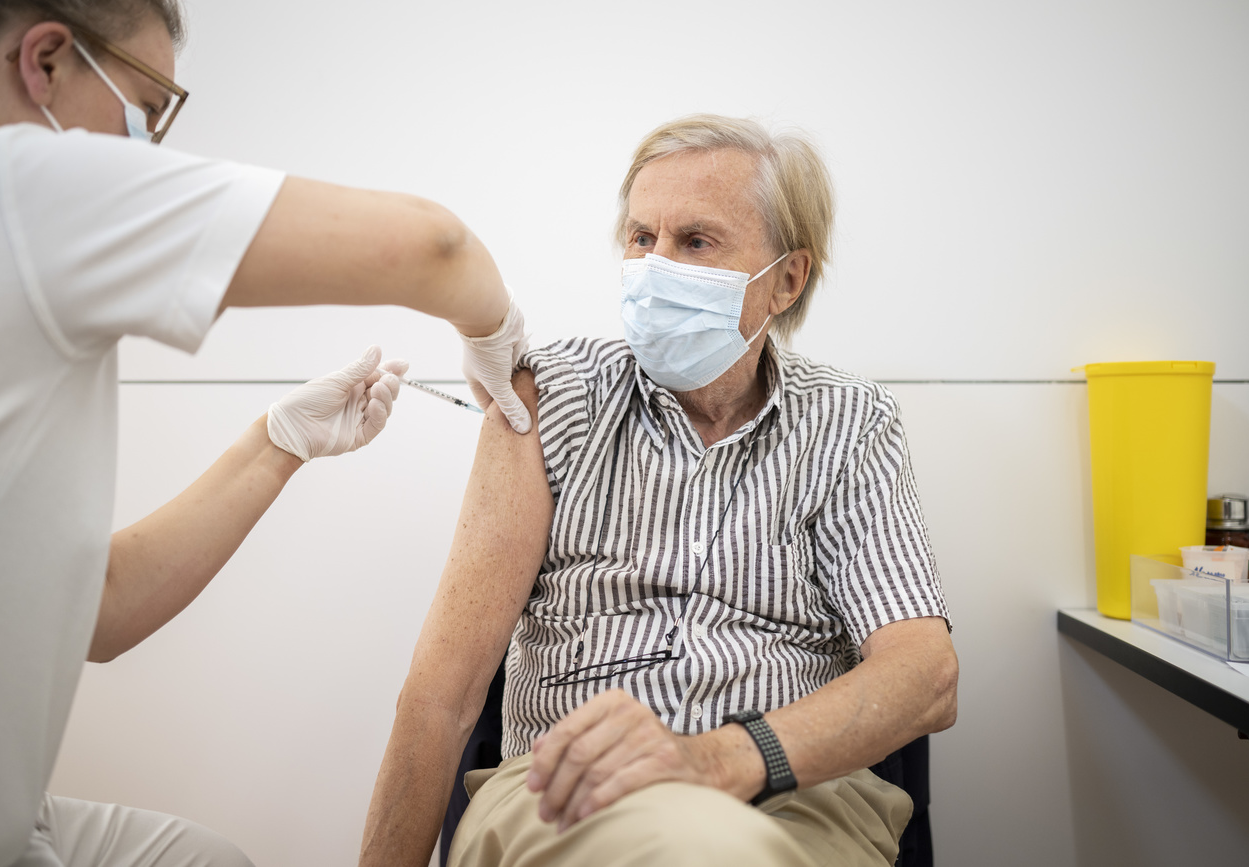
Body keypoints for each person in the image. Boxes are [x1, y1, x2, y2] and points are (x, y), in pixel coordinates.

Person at [0, 1, 531, 865]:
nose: (149, 146)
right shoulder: (10, 182)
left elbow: (97, 611)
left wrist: (278, 441)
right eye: (146, 110)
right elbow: (437, 247)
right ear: (44, 61)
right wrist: (497, 337)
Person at [358, 115, 959, 867]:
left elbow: (925, 675)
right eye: (642, 238)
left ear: (786, 278)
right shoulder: (552, 398)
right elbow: (440, 695)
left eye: (696, 241)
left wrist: (719, 758)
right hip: (565, 793)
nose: (654, 265)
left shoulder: (850, 424)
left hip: (797, 806)